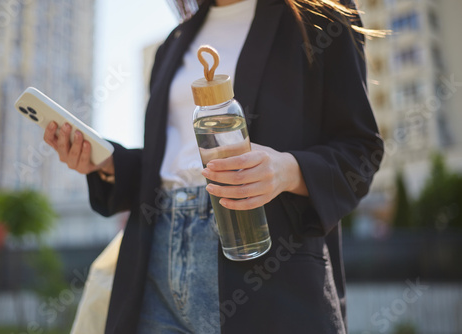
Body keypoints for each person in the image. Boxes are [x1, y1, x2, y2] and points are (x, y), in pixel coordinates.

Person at [44, 0, 383, 333]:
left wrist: (286, 169)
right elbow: (169, 165)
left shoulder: (320, 17)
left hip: (266, 274)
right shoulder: (174, 42)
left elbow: (360, 151)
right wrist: (106, 162)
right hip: (155, 268)